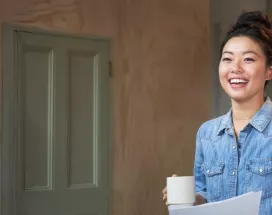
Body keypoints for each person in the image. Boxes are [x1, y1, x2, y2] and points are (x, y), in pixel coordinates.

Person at [162, 11, 272, 215]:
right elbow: (205, 194)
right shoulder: (207, 133)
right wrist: (191, 199)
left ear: (269, 71)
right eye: (227, 59)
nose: (235, 68)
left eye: (248, 59)